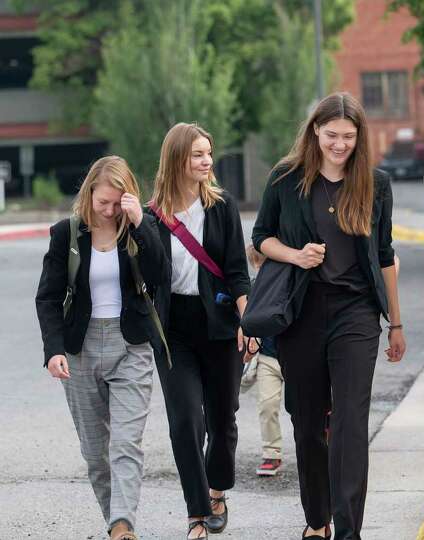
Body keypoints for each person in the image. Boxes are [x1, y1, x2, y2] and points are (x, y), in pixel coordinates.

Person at [252, 92, 406, 539]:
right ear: (315, 131)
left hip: (356, 313)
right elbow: (261, 237)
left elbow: (384, 255)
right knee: (307, 420)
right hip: (302, 313)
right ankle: (317, 519)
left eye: (349, 137)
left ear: (360, 137)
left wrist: (395, 322)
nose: (340, 145)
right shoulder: (286, 179)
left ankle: (348, 530)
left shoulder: (375, 184)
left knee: (351, 422)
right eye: (332, 135)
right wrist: (296, 255)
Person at [36, 156, 167, 540]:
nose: (109, 211)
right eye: (102, 203)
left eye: (117, 203)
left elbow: (161, 276)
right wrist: (53, 349)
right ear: (89, 193)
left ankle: (123, 526)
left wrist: (141, 224)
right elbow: (47, 297)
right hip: (80, 348)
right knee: (96, 454)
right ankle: (116, 519)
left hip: (132, 346)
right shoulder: (67, 234)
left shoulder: (141, 228)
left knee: (126, 443)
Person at [147, 123, 251, 539]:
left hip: (221, 324)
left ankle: (217, 489)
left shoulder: (222, 206)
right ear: (177, 160)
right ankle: (197, 512)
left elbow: (238, 273)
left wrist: (251, 322)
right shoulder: (154, 215)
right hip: (175, 330)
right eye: (197, 155)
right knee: (186, 419)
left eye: (208, 153)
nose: (207, 161)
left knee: (223, 416)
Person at [242, 245, 285, 477]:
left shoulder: (286, 285)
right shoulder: (252, 289)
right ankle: (271, 453)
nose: (261, 270)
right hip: (267, 356)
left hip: (293, 353)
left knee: (306, 407)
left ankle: (318, 445)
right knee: (267, 405)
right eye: (257, 265)